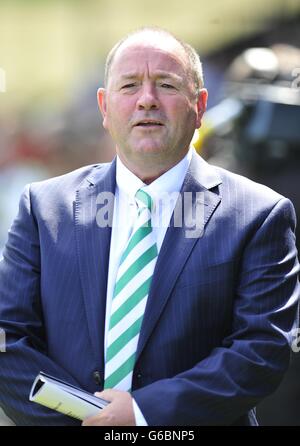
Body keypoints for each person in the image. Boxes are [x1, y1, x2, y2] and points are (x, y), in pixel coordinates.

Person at [0, 27, 299, 427]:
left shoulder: (259, 214)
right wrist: (89, 422)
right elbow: (8, 339)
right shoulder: (43, 208)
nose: (146, 100)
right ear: (104, 108)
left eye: (166, 85)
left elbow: (261, 349)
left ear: (200, 105)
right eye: (129, 85)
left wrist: (143, 416)